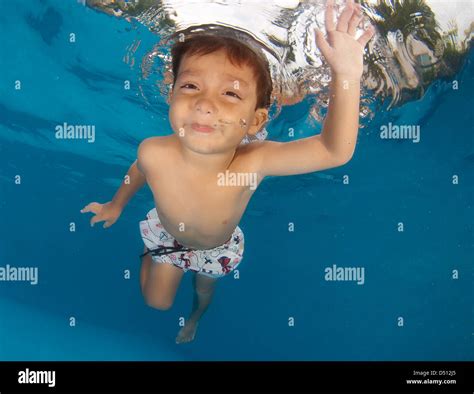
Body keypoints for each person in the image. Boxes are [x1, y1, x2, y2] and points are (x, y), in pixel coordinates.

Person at [81, 0, 375, 344]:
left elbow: (333, 150)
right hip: (166, 237)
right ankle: (152, 254)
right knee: (156, 302)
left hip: (219, 248)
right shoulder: (153, 150)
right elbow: (139, 169)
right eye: (191, 86)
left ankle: (194, 319)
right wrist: (115, 205)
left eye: (231, 93)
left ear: (255, 120)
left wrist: (346, 75)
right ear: (171, 95)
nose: (206, 104)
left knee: (204, 293)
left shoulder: (254, 161)